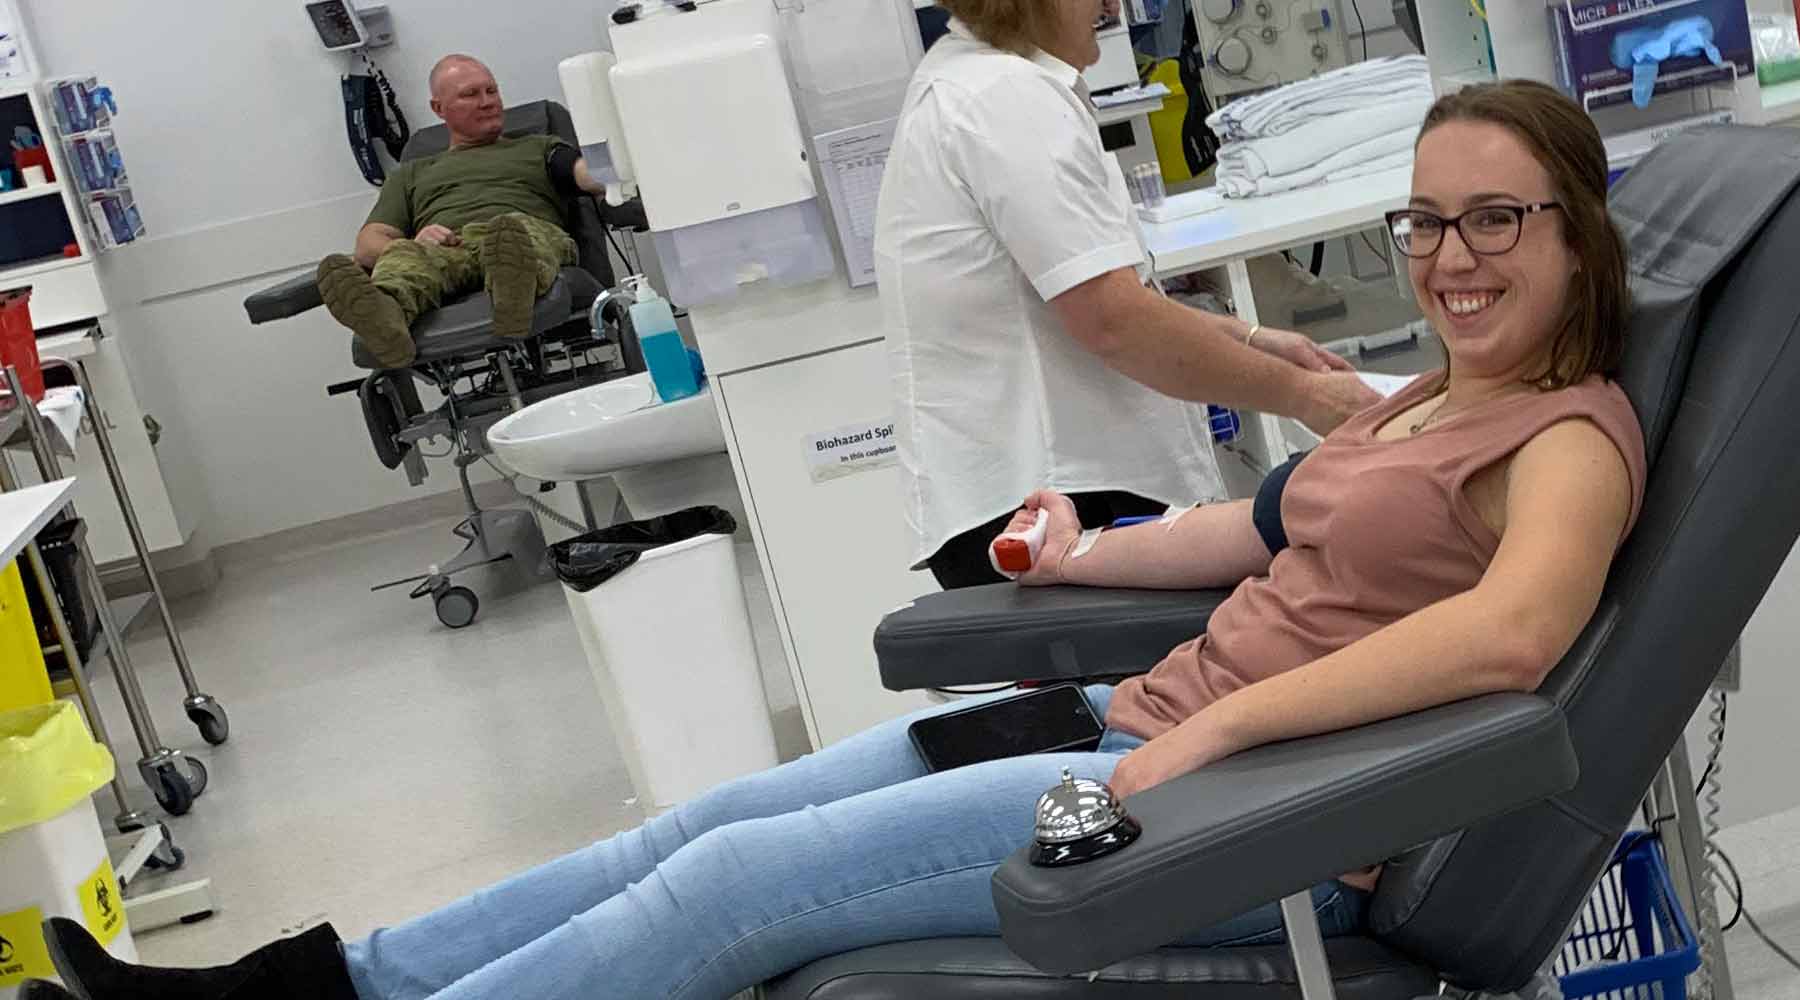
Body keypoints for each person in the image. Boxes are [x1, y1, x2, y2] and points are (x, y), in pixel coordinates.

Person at [25, 80, 1647, 1000]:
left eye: (1494, 218)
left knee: (729, 891)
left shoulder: (1565, 434)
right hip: (1131, 738)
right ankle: (294, 996)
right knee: (687, 831)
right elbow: (1251, 531)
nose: (1450, 255)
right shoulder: (1411, 404)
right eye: (1426, 220)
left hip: (1253, 819)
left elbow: (1508, 637)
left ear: (1577, 236)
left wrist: (1214, 720)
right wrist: (1078, 558)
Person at [875, 0, 1382, 589]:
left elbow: (1110, 299)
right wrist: (1308, 397)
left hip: (1037, 494)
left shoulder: (970, 79)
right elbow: (1115, 323)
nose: (1116, 5)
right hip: (1052, 503)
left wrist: (1253, 340)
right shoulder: (1004, 99)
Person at [317, 55, 624, 369]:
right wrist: (410, 245)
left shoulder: (539, 147)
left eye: (492, 91)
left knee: (517, 233)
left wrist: (620, 166)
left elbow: (585, 173)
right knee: (402, 261)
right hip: (448, 249)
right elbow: (368, 244)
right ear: (439, 109)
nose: (487, 102)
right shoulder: (411, 174)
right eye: (471, 94)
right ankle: (385, 321)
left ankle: (513, 297)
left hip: (520, 236)